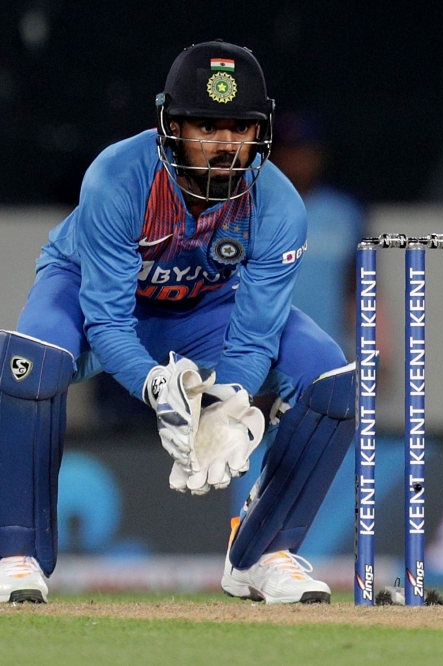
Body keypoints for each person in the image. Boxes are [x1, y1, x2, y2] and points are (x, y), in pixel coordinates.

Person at [0, 40, 357, 605]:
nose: (225, 145)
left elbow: (256, 332)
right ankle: (15, 552)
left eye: (240, 129)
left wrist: (227, 401)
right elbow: (109, 319)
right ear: (170, 126)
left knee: (330, 380)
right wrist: (154, 386)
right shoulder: (117, 177)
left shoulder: (280, 205)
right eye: (207, 127)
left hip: (204, 309)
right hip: (95, 297)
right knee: (29, 363)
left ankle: (261, 555)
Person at [269, 111, 366, 353]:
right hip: (265, 352)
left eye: (305, 151)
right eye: (289, 151)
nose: (297, 160)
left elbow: (359, 285)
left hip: (328, 350)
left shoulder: (345, 212)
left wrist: (375, 347)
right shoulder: (255, 208)